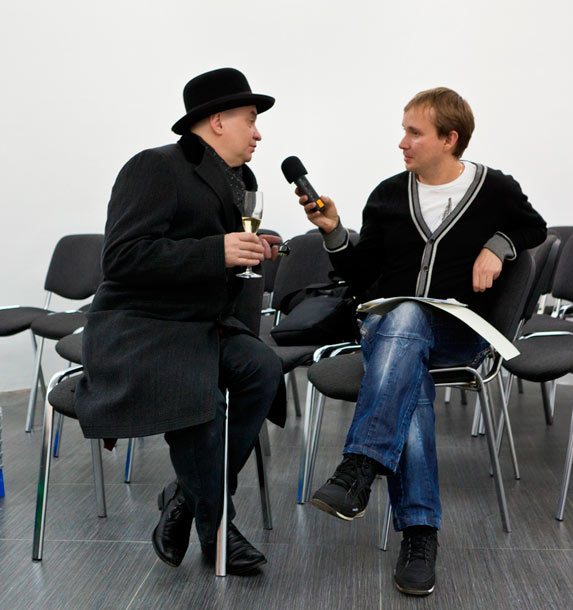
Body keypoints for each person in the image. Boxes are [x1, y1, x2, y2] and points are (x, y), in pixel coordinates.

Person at [298, 87, 546, 596]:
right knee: (406, 325)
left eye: (415, 132)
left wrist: (497, 248)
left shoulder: (494, 189)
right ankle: (420, 535)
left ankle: (361, 466)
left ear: (449, 139)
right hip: (388, 330)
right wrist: (332, 232)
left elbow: (532, 227)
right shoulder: (388, 195)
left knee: (410, 338)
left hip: (458, 335)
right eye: (404, 130)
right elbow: (364, 273)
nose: (402, 143)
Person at [75, 68, 286, 576]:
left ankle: (184, 496)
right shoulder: (154, 167)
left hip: (202, 323)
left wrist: (249, 251)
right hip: (144, 326)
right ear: (217, 121)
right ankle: (217, 532)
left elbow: (215, 259)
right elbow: (122, 258)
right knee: (202, 402)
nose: (258, 133)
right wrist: (216, 250)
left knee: (263, 367)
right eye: (250, 121)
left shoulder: (239, 184)